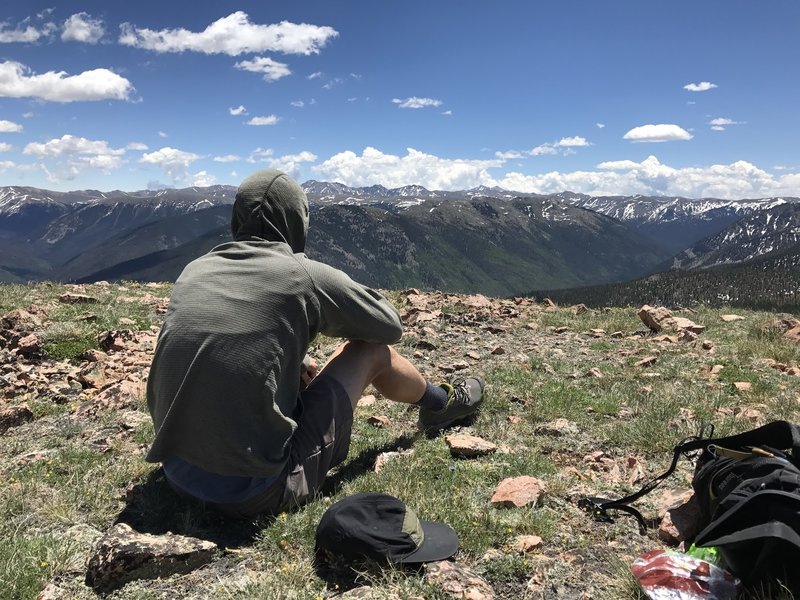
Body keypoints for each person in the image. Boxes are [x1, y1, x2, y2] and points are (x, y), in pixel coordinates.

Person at [145, 169, 485, 518]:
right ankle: (441, 405)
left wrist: (293, 362)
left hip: (177, 472)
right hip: (254, 492)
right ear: (297, 220)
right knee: (368, 352)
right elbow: (389, 326)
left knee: (303, 365)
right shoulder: (300, 273)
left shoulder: (195, 269)